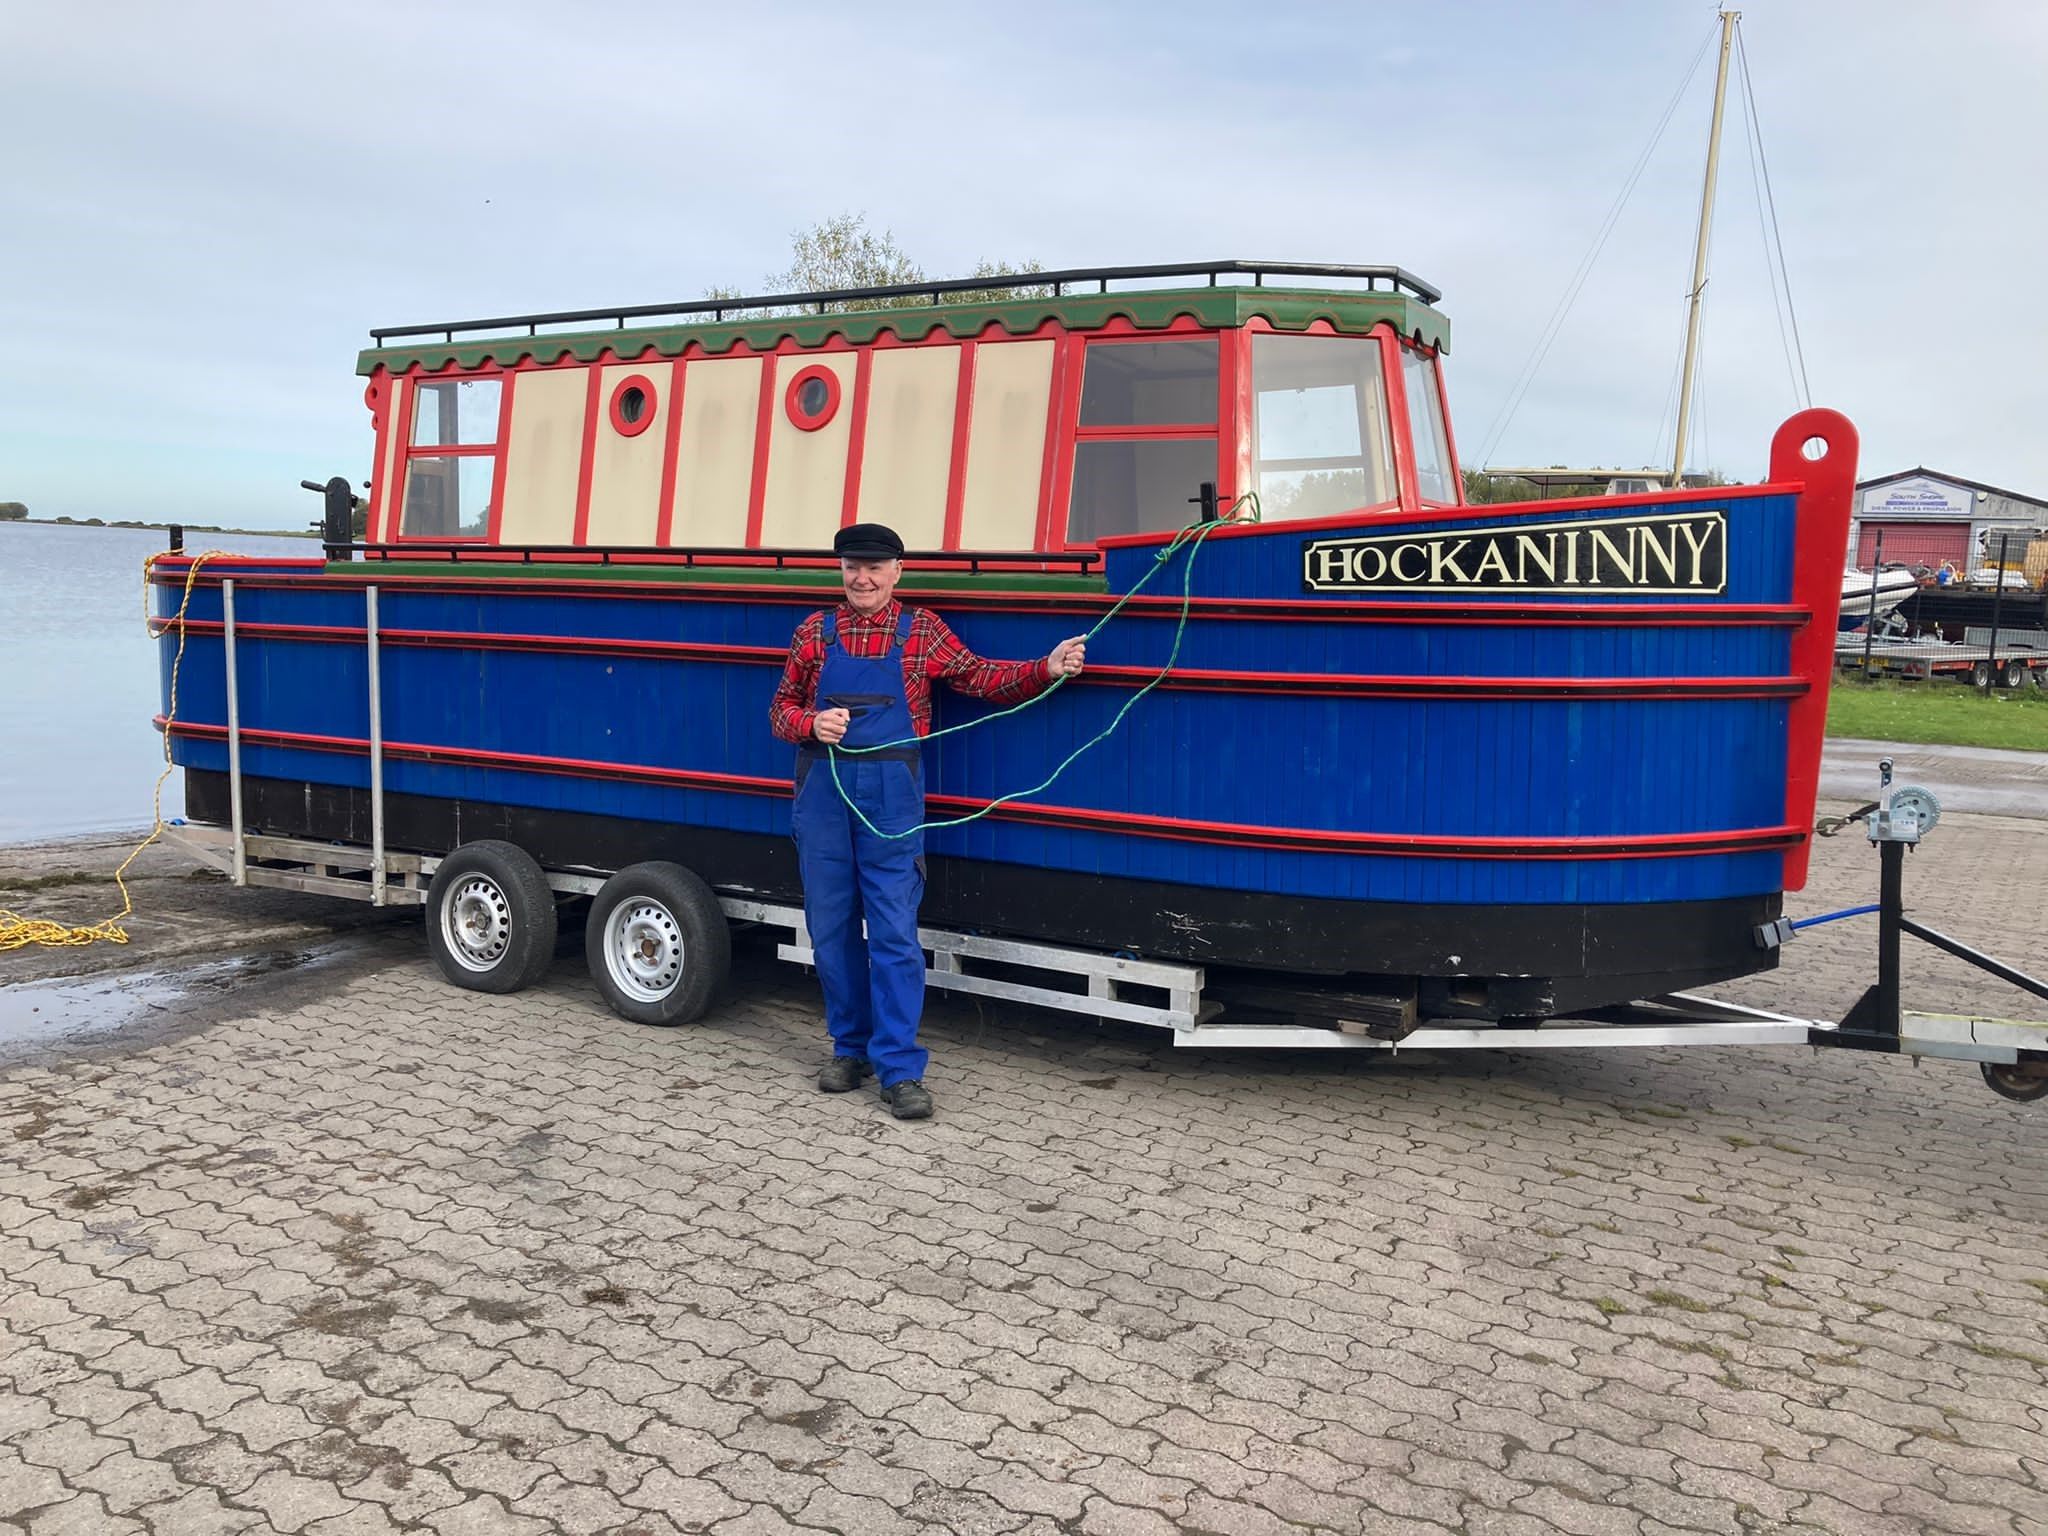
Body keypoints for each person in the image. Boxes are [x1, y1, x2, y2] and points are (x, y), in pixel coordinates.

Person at [769, 523, 1086, 1119]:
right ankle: (848, 1049)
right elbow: (780, 710)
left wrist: (1046, 667)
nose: (861, 578)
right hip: (823, 792)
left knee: (893, 933)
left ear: (896, 571)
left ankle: (900, 1069)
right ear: (841, 570)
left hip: (892, 795)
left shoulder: (922, 631)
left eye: (874, 567)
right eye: (851, 567)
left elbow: (983, 678)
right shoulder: (814, 632)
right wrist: (810, 724)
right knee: (831, 929)